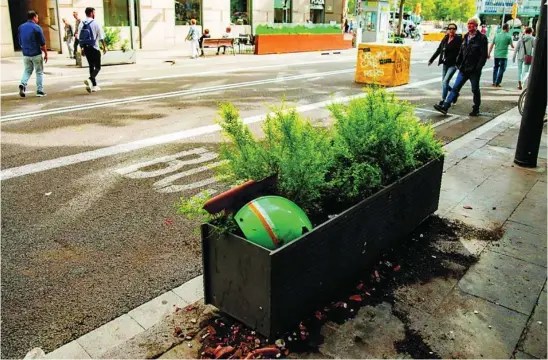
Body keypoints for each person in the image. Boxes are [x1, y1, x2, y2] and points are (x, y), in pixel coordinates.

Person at [434, 18, 488, 117]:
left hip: (474, 70)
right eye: (468, 24)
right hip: (463, 69)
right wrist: (458, 63)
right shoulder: (466, 36)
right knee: (455, 88)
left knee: (475, 89)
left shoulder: (482, 38)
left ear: (476, 26)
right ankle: (445, 107)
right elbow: (462, 52)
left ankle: (476, 108)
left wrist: (478, 68)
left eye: (472, 24)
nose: (469, 25)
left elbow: (483, 56)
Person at [428, 23, 463, 105]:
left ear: (455, 30)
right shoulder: (445, 38)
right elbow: (439, 50)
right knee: (444, 82)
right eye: (450, 28)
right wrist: (431, 59)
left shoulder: (459, 40)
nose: (451, 30)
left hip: (453, 65)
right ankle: (455, 93)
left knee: (445, 82)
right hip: (445, 63)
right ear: (447, 30)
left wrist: (461, 62)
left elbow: (462, 52)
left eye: (453, 29)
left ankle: (443, 100)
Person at [18, 10, 48, 98]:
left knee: (27, 70)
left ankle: (23, 84)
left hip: (26, 53)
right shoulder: (37, 28)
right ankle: (39, 91)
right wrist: (46, 53)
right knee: (39, 72)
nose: (38, 19)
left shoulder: (21, 27)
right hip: (36, 53)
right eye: (37, 17)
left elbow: (20, 41)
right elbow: (42, 43)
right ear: (34, 17)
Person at [78, 7, 107, 93]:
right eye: (94, 12)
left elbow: (80, 37)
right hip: (94, 47)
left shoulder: (81, 24)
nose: (94, 14)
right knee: (97, 67)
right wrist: (104, 47)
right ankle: (90, 80)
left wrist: (82, 48)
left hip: (86, 48)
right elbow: (101, 37)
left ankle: (94, 85)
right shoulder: (96, 23)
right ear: (91, 13)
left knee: (91, 65)